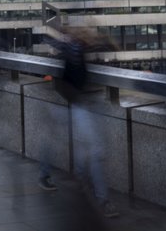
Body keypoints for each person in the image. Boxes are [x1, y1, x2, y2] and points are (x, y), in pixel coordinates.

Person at [42, 26, 119, 219]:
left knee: (79, 148)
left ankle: (72, 177)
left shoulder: (75, 47)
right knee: (94, 150)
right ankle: (102, 199)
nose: (90, 38)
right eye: (87, 35)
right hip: (78, 106)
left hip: (77, 105)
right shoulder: (75, 49)